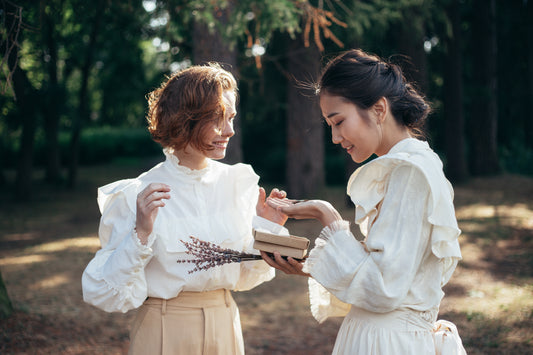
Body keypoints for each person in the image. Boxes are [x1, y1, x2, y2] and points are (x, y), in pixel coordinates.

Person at [262, 49, 466, 354]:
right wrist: (310, 266)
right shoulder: (405, 168)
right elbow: (391, 275)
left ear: (379, 109)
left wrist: (326, 214)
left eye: (339, 121)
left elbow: (384, 289)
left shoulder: (410, 172)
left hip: (387, 343)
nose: (334, 137)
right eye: (329, 125)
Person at [82, 63, 288, 355]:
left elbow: (246, 276)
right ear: (184, 119)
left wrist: (268, 228)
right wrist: (140, 234)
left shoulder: (236, 184)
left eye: (231, 118)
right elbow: (101, 293)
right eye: (218, 119)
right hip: (163, 331)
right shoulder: (138, 194)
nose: (229, 131)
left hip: (226, 326)